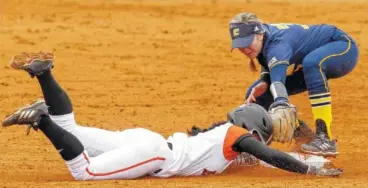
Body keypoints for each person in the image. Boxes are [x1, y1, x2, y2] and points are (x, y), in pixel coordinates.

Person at [2, 52, 342, 180]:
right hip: (153, 153)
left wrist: (317, 163)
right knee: (84, 171)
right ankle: (42, 119)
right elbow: (268, 154)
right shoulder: (234, 139)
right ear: (251, 131)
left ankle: (44, 74)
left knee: (72, 129)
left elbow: (271, 158)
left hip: (144, 139)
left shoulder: (223, 137)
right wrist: (308, 173)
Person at [228, 12, 359, 156]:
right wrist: (265, 81)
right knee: (257, 95)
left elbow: (277, 78)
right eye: (240, 45)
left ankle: (325, 138)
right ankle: (304, 137)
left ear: (259, 34)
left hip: (341, 47)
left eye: (247, 42)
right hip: (308, 61)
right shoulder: (263, 39)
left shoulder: (277, 44)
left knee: (312, 63)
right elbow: (269, 63)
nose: (245, 49)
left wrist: (281, 103)